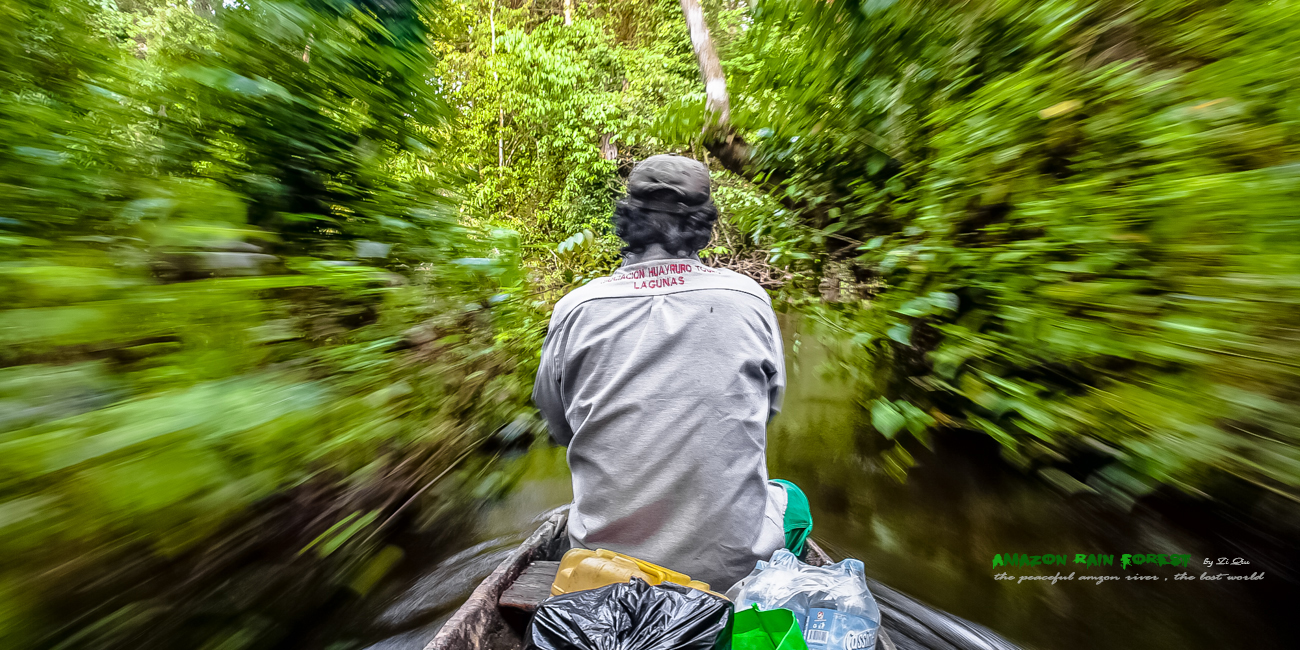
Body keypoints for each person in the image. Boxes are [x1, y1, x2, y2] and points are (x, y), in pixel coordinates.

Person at [532, 154, 811, 592]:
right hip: (730, 568)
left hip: (601, 571)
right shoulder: (749, 298)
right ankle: (760, 587)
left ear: (627, 221)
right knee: (793, 500)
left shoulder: (576, 308)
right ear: (704, 225)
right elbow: (765, 412)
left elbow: (563, 426)